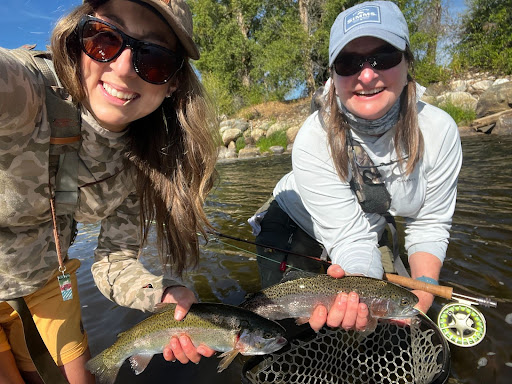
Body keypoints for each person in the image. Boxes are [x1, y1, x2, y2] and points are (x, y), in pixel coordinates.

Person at [0, 0, 219, 383]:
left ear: (174, 83)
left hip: (52, 281)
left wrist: (163, 293)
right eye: (104, 39)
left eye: (153, 59)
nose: (121, 68)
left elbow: (114, 260)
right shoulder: (24, 90)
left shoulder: (145, 163)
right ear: (76, 39)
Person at [251, 1, 462, 333]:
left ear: (408, 61)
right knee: (281, 325)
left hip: (368, 227)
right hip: (295, 220)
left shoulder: (440, 132)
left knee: (393, 327)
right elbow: (349, 238)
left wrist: (422, 288)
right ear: (334, 75)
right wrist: (361, 281)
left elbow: (430, 224)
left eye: (384, 57)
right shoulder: (313, 137)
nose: (366, 75)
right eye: (348, 62)